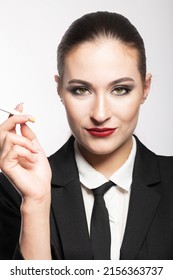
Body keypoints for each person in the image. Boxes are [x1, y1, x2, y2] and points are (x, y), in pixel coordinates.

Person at [0, 11, 173, 260]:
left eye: (120, 89)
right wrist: (36, 203)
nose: (100, 114)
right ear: (59, 89)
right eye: (81, 90)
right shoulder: (11, 192)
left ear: (146, 88)